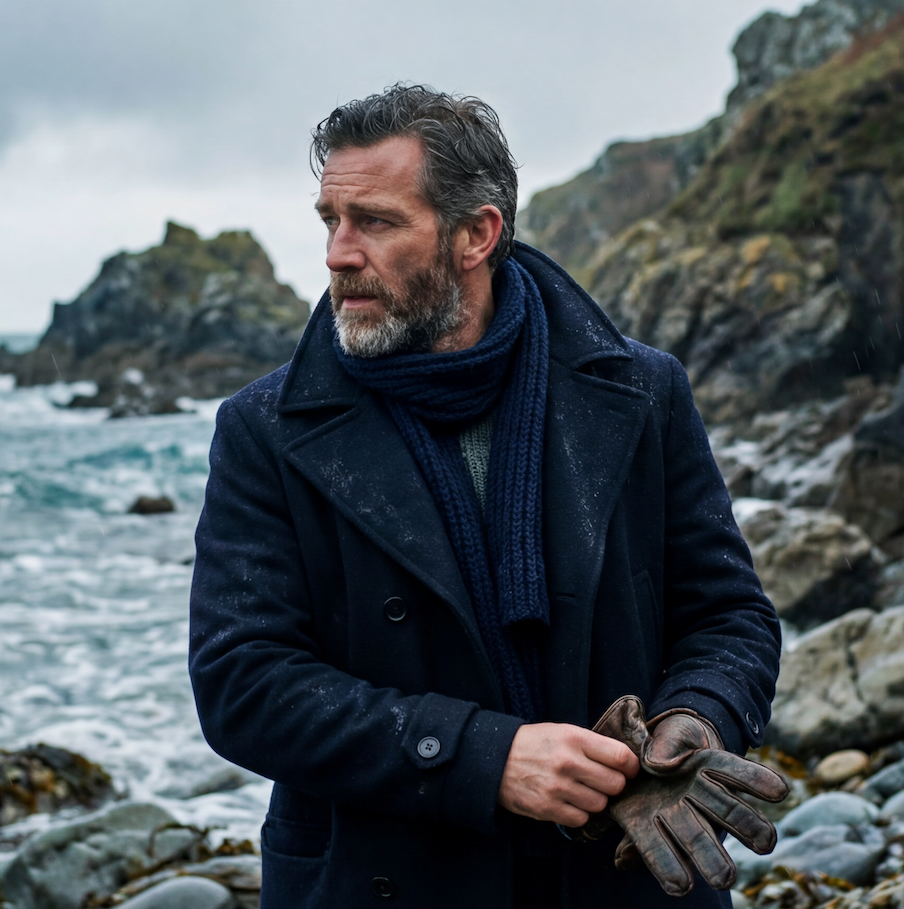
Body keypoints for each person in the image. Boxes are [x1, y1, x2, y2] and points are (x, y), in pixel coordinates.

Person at [188, 84, 784, 909]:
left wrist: (699, 716)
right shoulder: (266, 428)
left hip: (623, 873)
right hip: (387, 877)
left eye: (377, 221)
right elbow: (242, 682)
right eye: (331, 218)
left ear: (477, 234)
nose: (337, 253)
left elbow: (728, 613)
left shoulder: (641, 392)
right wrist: (483, 757)